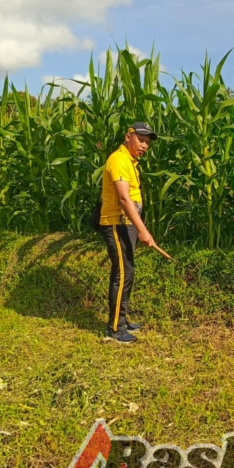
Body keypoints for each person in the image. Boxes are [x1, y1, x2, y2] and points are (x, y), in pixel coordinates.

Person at [98, 122, 157, 343]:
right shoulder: (119, 160)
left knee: (127, 273)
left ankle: (122, 320)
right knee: (122, 274)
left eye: (147, 143)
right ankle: (114, 329)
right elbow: (123, 199)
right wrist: (143, 231)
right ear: (128, 136)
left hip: (126, 224)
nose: (144, 145)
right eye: (141, 140)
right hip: (116, 223)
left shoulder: (130, 161)